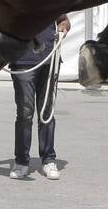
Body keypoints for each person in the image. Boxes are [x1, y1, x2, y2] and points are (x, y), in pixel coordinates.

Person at [9, 15, 70, 181]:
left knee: (47, 113)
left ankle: (48, 159)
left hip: (50, 59)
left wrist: (63, 27)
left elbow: (63, 20)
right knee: (24, 113)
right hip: (23, 60)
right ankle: (21, 161)